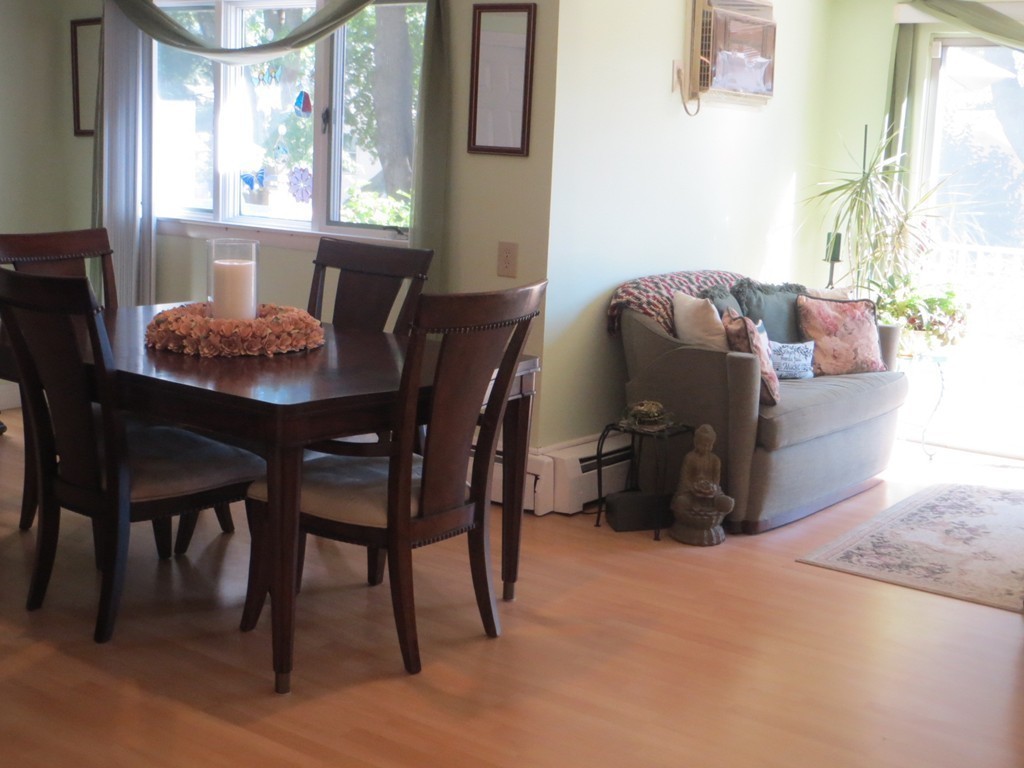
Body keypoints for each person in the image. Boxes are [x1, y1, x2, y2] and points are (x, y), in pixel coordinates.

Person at [669, 424, 734, 545]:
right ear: (696, 442)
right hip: (690, 493)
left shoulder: (715, 460)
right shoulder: (690, 458)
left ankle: (709, 512)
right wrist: (695, 489)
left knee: (727, 503)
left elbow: (716, 482)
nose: (706, 447)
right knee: (681, 503)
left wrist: (710, 490)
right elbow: (685, 480)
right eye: (703, 444)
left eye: (709, 445)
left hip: (711, 495)